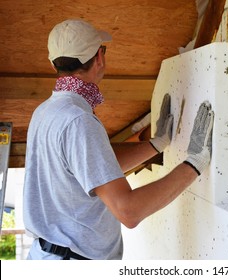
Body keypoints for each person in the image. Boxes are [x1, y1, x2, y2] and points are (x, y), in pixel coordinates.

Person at [23, 19, 214, 260]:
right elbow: (129, 211)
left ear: (53, 65)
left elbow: (93, 166)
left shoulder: (47, 111)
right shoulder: (78, 120)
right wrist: (194, 164)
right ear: (99, 58)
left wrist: (157, 144)